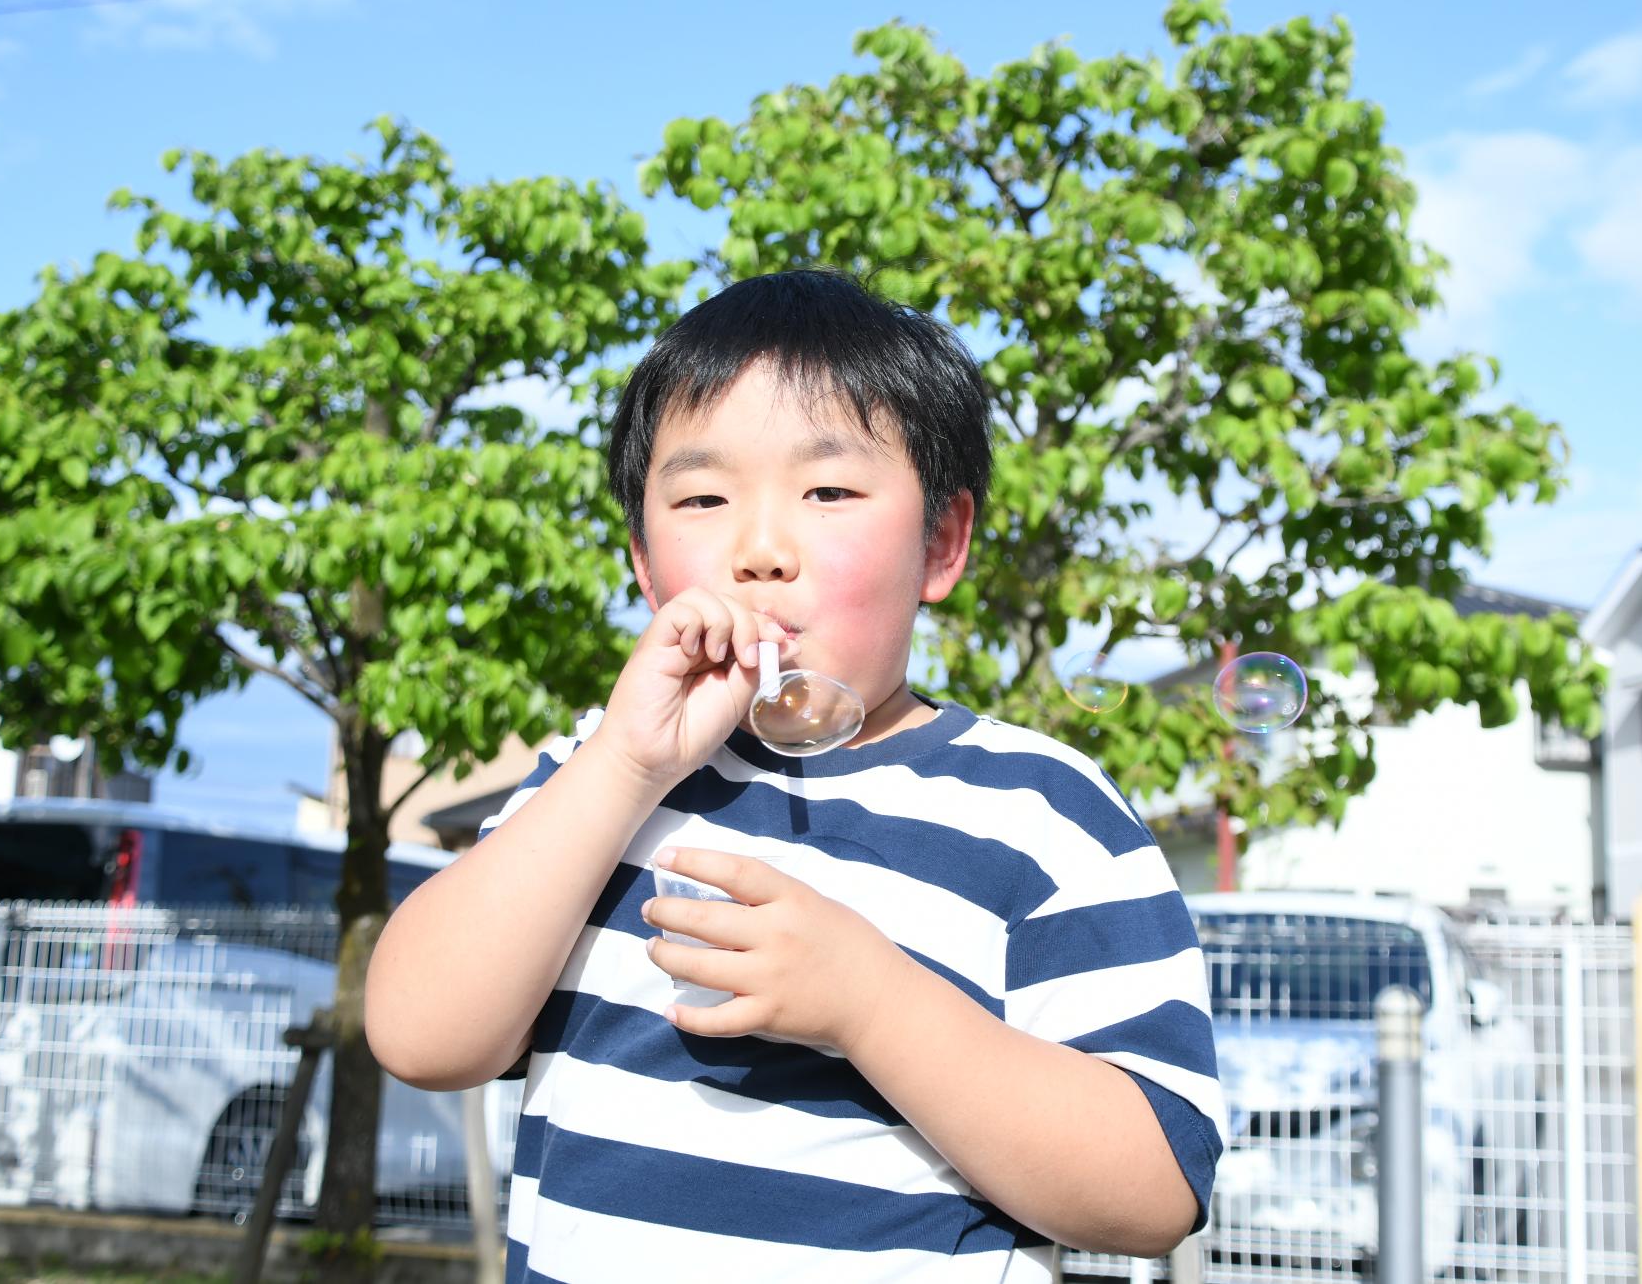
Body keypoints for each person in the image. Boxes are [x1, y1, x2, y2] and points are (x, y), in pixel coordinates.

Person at [365, 269, 1224, 1282]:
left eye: (827, 491)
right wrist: (626, 763)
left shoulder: (1042, 812)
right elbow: (419, 1034)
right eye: (701, 497)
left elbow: (1153, 1187)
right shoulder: (594, 786)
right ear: (644, 565)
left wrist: (869, 1002)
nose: (760, 548)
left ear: (939, 544)